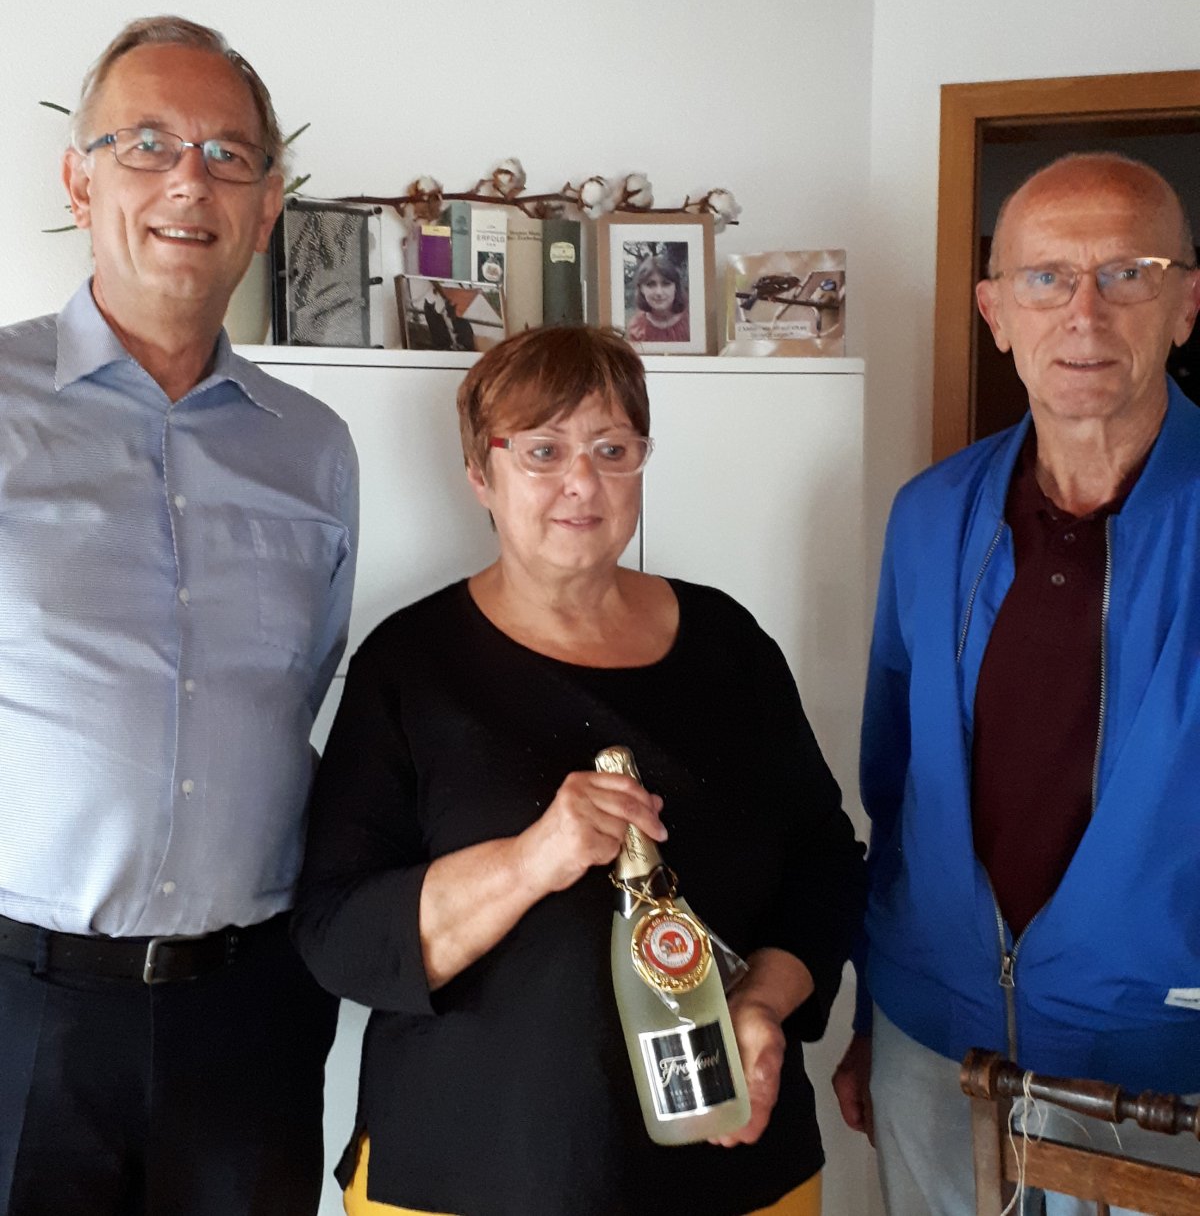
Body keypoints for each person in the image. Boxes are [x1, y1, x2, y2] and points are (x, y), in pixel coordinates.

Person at [292, 325, 866, 1216]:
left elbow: (824, 864)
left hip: (733, 1162)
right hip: (472, 1173)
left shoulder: (729, 644)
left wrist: (760, 1003)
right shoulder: (409, 665)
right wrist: (532, 860)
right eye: (543, 450)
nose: (582, 482)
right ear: (480, 473)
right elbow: (339, 933)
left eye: (612, 449)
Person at [0, 16, 358, 1216]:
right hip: (22, 1004)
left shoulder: (314, 450)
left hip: (248, 1010)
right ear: (79, 179)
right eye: (147, 143)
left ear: (266, 207)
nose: (189, 181)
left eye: (228, 154)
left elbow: (301, 682)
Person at [832, 153, 1200, 1216]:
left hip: (1163, 1067)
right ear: (995, 313)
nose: (1084, 312)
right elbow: (895, 789)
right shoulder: (929, 514)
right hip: (934, 1043)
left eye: (1127, 273)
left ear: (1186, 303)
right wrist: (873, 1012)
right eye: (1046, 277)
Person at [625, 251, 690, 343]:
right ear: (641, 289)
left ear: (676, 287)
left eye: (666, 284)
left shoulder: (692, 321)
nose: (659, 292)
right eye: (651, 284)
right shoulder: (636, 329)